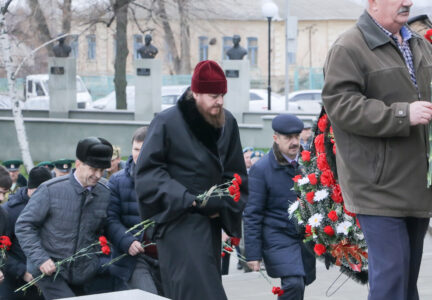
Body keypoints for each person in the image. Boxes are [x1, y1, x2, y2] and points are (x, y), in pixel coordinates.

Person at [321, 0, 432, 299]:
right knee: (392, 279)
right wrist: (401, 115)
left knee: (406, 283)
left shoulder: (420, 42)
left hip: (415, 184)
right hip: (377, 186)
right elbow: (341, 106)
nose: (407, 2)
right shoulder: (349, 47)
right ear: (373, 3)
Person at [135, 60, 247, 300]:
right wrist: (189, 199)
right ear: (195, 92)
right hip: (177, 222)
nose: (220, 101)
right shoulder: (167, 122)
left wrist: (222, 204)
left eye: (222, 95)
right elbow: (148, 173)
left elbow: (236, 174)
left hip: (210, 225)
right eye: (213, 95)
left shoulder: (228, 122)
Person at [15, 137, 113, 300]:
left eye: (102, 170)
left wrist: (95, 261)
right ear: (78, 164)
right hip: (49, 271)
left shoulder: (105, 192)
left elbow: (105, 227)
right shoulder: (50, 190)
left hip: (83, 273)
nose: (98, 175)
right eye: (94, 169)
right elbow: (24, 226)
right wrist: (41, 259)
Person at [244, 114, 316, 299]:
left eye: (296, 137)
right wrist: (253, 254)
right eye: (288, 138)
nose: (294, 142)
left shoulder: (308, 162)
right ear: (276, 138)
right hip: (277, 236)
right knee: (293, 283)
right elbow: (252, 213)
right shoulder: (261, 169)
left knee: (301, 283)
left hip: (303, 236)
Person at [105, 127, 161, 295]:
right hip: (135, 258)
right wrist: (127, 241)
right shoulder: (117, 180)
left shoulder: (167, 178)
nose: (139, 154)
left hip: (166, 256)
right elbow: (109, 219)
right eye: (136, 149)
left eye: (144, 149)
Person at [0, 166, 51, 300]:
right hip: (14, 284)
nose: (1, 198)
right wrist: (22, 271)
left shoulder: (53, 207)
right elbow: (3, 251)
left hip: (43, 280)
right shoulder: (9, 212)